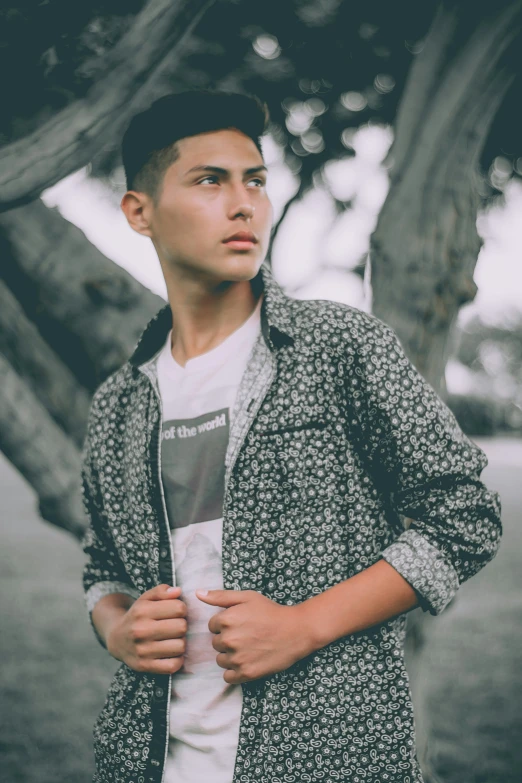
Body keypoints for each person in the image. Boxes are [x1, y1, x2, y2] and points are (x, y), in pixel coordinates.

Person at [80, 88, 503, 783]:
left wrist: (304, 624)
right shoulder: (119, 403)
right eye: (210, 180)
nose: (245, 203)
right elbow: (102, 568)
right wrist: (116, 626)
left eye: (256, 181)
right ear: (139, 211)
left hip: (327, 756)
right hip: (148, 761)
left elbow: (464, 517)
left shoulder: (339, 347)